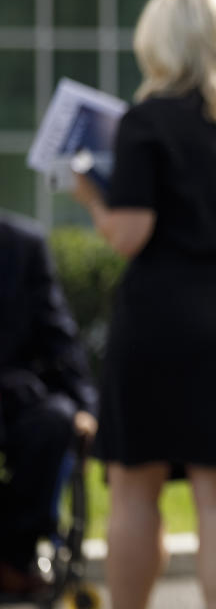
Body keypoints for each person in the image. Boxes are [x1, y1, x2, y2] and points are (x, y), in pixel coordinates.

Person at [70, 0, 216, 609]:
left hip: (163, 317)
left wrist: (90, 192)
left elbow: (129, 233)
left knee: (135, 489)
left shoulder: (147, 121)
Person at [0, 212, 98, 595]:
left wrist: (86, 406)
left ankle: (12, 556)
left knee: (58, 420)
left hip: (13, 392)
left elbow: (59, 335)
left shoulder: (23, 245)